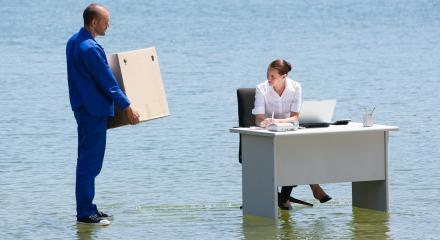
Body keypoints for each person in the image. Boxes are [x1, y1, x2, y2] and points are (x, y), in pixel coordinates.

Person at [66, 3, 140, 225]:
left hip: (83, 108)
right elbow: (109, 83)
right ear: (93, 22)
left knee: (87, 160)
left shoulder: (73, 41)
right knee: (90, 163)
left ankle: (89, 208)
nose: (109, 25)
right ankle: (85, 213)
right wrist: (128, 107)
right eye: (106, 21)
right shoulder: (91, 48)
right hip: (93, 111)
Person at [252, 59, 332, 210]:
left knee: (301, 150)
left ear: (284, 76)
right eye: (268, 75)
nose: (269, 79)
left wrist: (278, 121)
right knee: (297, 153)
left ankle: (284, 198)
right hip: (267, 133)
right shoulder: (261, 88)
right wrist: (269, 122)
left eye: (273, 76)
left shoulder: (295, 87)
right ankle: (311, 187)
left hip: (288, 132)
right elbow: (259, 117)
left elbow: (296, 116)